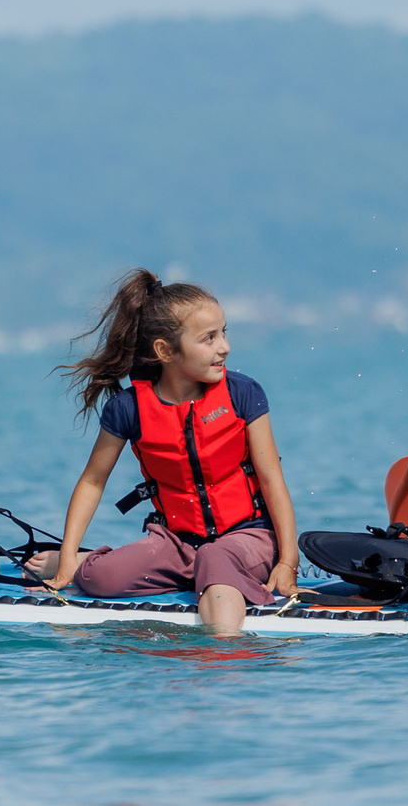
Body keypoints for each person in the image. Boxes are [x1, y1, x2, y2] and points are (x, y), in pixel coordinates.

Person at [29, 272, 304, 636]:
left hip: (249, 537)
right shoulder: (129, 408)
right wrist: (67, 562)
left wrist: (287, 561)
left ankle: (224, 648)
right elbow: (93, 481)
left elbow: (272, 481)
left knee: (215, 557)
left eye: (224, 332)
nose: (225, 346)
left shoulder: (243, 394)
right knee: (100, 578)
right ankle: (86, 560)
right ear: (165, 351)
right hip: (178, 542)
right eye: (209, 338)